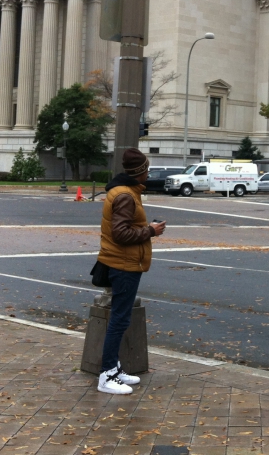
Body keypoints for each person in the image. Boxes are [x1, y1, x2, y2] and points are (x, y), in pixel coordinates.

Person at [96, 148, 166, 395]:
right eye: (146, 168)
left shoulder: (123, 191)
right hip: (124, 264)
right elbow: (121, 233)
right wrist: (151, 231)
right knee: (119, 320)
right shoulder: (126, 195)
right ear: (140, 172)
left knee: (120, 318)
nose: (148, 172)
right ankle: (107, 375)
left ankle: (114, 367)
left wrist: (146, 229)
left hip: (122, 262)